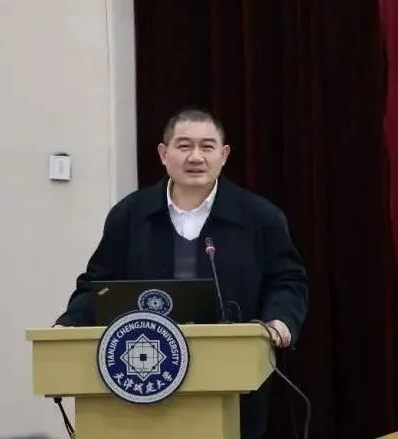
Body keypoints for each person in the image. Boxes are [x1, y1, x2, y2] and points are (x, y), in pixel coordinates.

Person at [54, 108, 308, 439]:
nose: (196, 157)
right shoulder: (131, 214)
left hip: (232, 374)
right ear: (164, 154)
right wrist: (69, 322)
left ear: (224, 155)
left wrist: (280, 320)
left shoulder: (259, 217)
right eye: (184, 146)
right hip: (143, 373)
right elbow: (98, 283)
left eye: (207, 146)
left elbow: (287, 279)